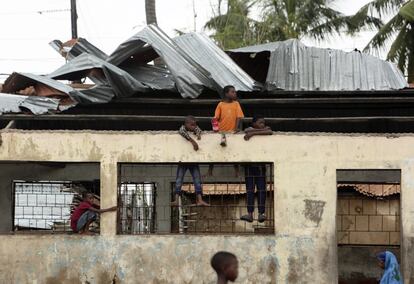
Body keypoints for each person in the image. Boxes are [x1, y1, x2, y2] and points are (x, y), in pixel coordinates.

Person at [240, 116, 272, 223]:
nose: (262, 124)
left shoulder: (254, 131)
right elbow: (247, 131)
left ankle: (261, 213)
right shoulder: (249, 129)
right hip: (249, 165)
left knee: (262, 190)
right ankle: (250, 214)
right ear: (253, 124)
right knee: (250, 191)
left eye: (263, 123)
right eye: (260, 122)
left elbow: (270, 131)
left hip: (260, 166)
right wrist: (254, 132)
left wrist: (253, 134)